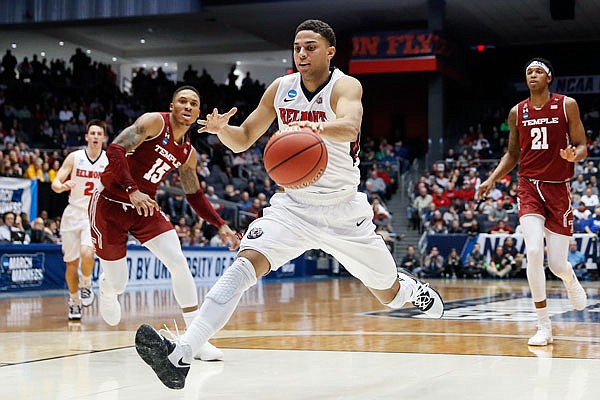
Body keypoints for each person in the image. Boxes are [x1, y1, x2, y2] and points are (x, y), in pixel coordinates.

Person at [134, 19, 444, 390]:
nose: (301, 53)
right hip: (293, 207)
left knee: (387, 293)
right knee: (242, 267)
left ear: (330, 52)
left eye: (310, 47)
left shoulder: (346, 85)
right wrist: (221, 131)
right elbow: (244, 138)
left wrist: (314, 130)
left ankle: (412, 291)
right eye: (297, 47)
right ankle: (181, 355)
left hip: (343, 210)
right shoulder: (281, 89)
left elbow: (350, 125)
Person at [89, 86, 239, 361]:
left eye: (194, 103)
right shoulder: (153, 122)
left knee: (177, 260)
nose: (188, 106)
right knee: (119, 283)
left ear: (198, 113)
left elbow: (194, 193)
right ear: (172, 106)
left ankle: (195, 338)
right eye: (182, 101)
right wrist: (132, 189)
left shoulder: (188, 153)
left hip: (144, 207)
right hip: (110, 203)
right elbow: (115, 149)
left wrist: (220, 224)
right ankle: (108, 287)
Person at [478, 58, 587, 347]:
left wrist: (574, 155)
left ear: (549, 77)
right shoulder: (517, 112)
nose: (533, 75)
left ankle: (569, 278)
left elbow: (582, 145)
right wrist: (491, 179)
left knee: (558, 264)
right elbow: (513, 155)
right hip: (528, 187)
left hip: (558, 190)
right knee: (534, 251)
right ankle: (543, 326)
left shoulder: (567, 105)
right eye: (529, 72)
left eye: (538, 71)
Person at [51, 120, 109, 320]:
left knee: (87, 252)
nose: (94, 136)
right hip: (72, 213)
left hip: (93, 214)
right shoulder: (74, 157)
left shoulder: (108, 160)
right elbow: (56, 182)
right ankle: (74, 301)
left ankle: (86, 282)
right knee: (70, 264)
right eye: (91, 133)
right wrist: (62, 186)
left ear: (103, 138)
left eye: (98, 133)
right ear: (86, 137)